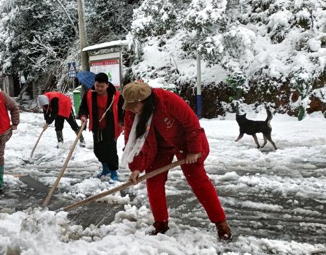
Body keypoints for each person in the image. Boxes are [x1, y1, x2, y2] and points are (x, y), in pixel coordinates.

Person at [121, 81, 232, 241]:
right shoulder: (132, 112)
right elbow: (132, 141)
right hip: (157, 148)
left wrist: (194, 150)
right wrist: (136, 167)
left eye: (134, 105)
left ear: (145, 100)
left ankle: (221, 224)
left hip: (184, 143)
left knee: (198, 181)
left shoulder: (167, 100)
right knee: (153, 181)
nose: (131, 109)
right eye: (128, 105)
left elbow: (191, 124)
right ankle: (161, 222)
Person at [78, 72, 124, 182]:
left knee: (111, 151)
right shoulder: (89, 94)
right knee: (98, 150)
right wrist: (83, 116)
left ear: (107, 85)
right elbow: (83, 107)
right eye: (97, 85)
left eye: (102, 86)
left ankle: (113, 172)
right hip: (97, 127)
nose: (99, 88)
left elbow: (123, 109)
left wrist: (122, 121)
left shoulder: (116, 96)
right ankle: (105, 168)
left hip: (111, 127)